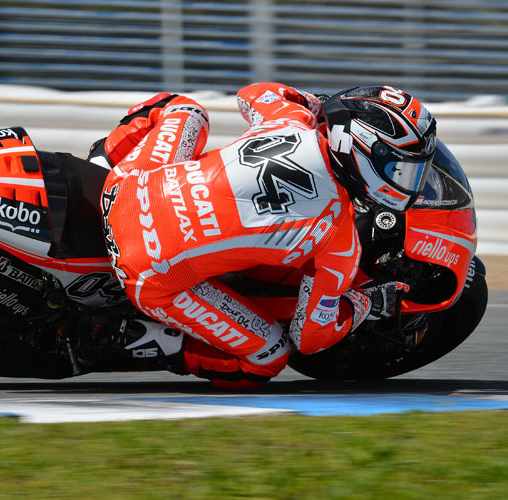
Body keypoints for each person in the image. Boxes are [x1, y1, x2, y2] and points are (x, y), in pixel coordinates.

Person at [88, 83, 437, 389]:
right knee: (268, 357)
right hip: (147, 270)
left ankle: (101, 162)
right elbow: (310, 337)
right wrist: (367, 304)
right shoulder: (338, 240)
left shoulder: (290, 119)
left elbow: (254, 94)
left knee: (183, 108)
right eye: (401, 170)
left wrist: (313, 105)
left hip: (127, 184)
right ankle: (160, 341)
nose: (411, 185)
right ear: (359, 148)